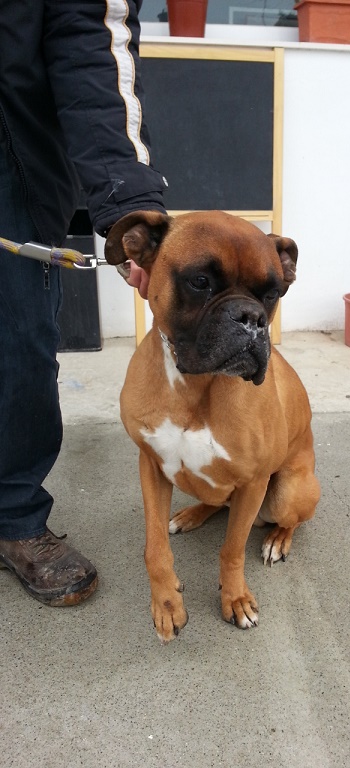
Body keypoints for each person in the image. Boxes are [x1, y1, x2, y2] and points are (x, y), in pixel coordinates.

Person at [0, 1, 167, 606]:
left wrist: (130, 207)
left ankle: (14, 514)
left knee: (18, 345)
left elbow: (91, 39)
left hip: (11, 160)